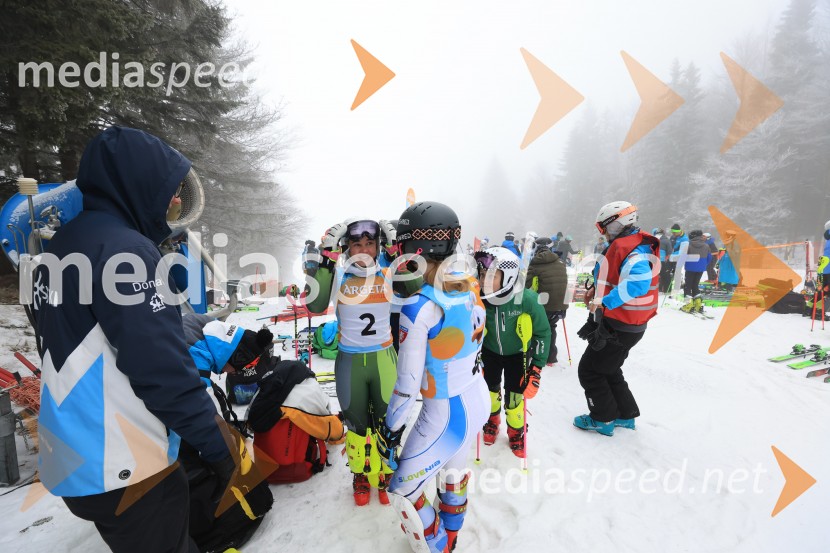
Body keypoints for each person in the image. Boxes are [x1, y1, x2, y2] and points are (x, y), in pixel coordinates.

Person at [32, 127, 236, 553]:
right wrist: (217, 444)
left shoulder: (60, 247)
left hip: (75, 457)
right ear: (137, 182)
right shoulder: (123, 251)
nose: (175, 201)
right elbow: (162, 369)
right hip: (125, 462)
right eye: (169, 190)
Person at [377, 201, 489, 553]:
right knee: (453, 474)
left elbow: (407, 385)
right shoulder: (470, 284)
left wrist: (390, 430)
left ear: (414, 247)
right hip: (476, 395)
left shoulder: (420, 305)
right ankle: (451, 536)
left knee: (403, 489)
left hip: (446, 412)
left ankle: (438, 543)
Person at [304, 218, 399, 506]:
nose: (364, 250)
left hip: (383, 359)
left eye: (370, 243)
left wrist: (396, 251)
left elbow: (414, 287)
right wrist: (326, 258)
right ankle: (360, 474)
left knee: (386, 422)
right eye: (357, 244)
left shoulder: (388, 271)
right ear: (347, 248)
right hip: (350, 363)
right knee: (357, 425)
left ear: (378, 246)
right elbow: (315, 305)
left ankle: (385, 473)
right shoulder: (339, 275)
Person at [574, 201, 658, 436]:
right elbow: (613, 275)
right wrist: (596, 290)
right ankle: (624, 414)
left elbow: (638, 283)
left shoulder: (634, 251)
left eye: (604, 228)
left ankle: (602, 418)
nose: (603, 233)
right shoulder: (629, 244)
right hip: (626, 324)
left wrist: (605, 301)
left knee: (590, 370)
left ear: (617, 223)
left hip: (621, 325)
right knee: (609, 368)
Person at [476, 246, 551, 456]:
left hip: (518, 355)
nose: (484, 281)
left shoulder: (527, 299)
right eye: (482, 275)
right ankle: (492, 420)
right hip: (489, 352)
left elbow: (543, 333)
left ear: (508, 277)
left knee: (515, 397)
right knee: (490, 392)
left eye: (491, 276)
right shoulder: (479, 298)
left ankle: (516, 431)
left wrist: (537, 368)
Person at [527, 237, 568, 366]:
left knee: (537, 329)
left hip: (544, 305)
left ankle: (536, 355)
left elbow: (526, 284)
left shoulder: (535, 263)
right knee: (551, 327)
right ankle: (551, 357)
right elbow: (565, 283)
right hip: (561, 305)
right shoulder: (560, 262)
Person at [680, 230, 712, 314]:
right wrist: (703, 264)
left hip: (690, 268)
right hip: (700, 269)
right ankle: (698, 304)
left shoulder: (688, 244)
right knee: (695, 285)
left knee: (688, 286)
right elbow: (709, 258)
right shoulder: (706, 245)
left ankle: (688, 304)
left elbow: (683, 256)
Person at [653, 228, 674, 293]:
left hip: (654, 260)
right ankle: (667, 290)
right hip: (663, 261)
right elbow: (670, 251)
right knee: (666, 275)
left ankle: (656, 289)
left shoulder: (653, 240)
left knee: (655, 276)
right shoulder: (667, 241)